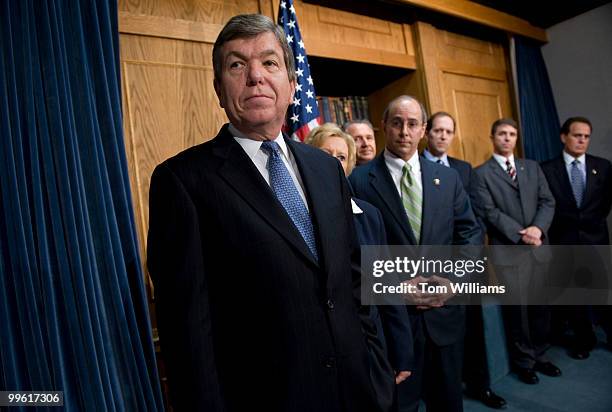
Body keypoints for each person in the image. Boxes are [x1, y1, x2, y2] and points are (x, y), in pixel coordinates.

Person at [147, 14, 393, 412]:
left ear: (292, 85)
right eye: (237, 65)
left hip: (355, 390)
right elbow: (187, 328)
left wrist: (376, 371)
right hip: (264, 397)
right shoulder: (182, 180)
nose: (255, 76)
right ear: (219, 90)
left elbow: (352, 280)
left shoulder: (327, 168)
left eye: (269, 62)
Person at [350, 95, 481, 412]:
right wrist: (398, 290)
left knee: (449, 401)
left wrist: (451, 281)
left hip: (444, 313)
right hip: (396, 322)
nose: (404, 131)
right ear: (384, 126)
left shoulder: (448, 178)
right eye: (396, 123)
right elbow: (357, 254)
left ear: (423, 129)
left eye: (412, 124)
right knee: (401, 405)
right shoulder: (358, 182)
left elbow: (470, 233)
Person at [306, 123, 414, 387]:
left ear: (350, 164)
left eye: (341, 157)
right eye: (324, 155)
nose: (333, 163)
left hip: (368, 344)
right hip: (315, 350)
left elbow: (386, 286)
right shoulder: (294, 215)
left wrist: (401, 350)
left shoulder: (369, 215)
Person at [424, 112, 506, 409]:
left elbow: (475, 219)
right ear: (427, 132)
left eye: (449, 131)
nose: (443, 136)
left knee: (473, 331)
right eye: (438, 130)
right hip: (423, 271)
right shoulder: (413, 168)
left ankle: (479, 385)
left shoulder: (463, 169)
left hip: (462, 265)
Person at [471, 118, 560, 385]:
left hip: (538, 247)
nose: (507, 138)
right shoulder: (481, 173)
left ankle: (541, 355)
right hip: (509, 251)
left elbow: (548, 201)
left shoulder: (531, 167)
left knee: (540, 307)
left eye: (512, 134)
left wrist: (537, 229)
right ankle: (524, 362)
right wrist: (523, 234)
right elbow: (488, 212)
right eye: (502, 134)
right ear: (492, 137)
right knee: (517, 311)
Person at [541, 116, 612, 359]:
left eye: (586, 136)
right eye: (576, 135)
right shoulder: (547, 169)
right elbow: (546, 203)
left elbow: (605, 204)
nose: (582, 140)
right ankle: (584, 340)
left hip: (596, 238)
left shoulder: (602, 166)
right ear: (564, 137)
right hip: (564, 239)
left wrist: (590, 223)